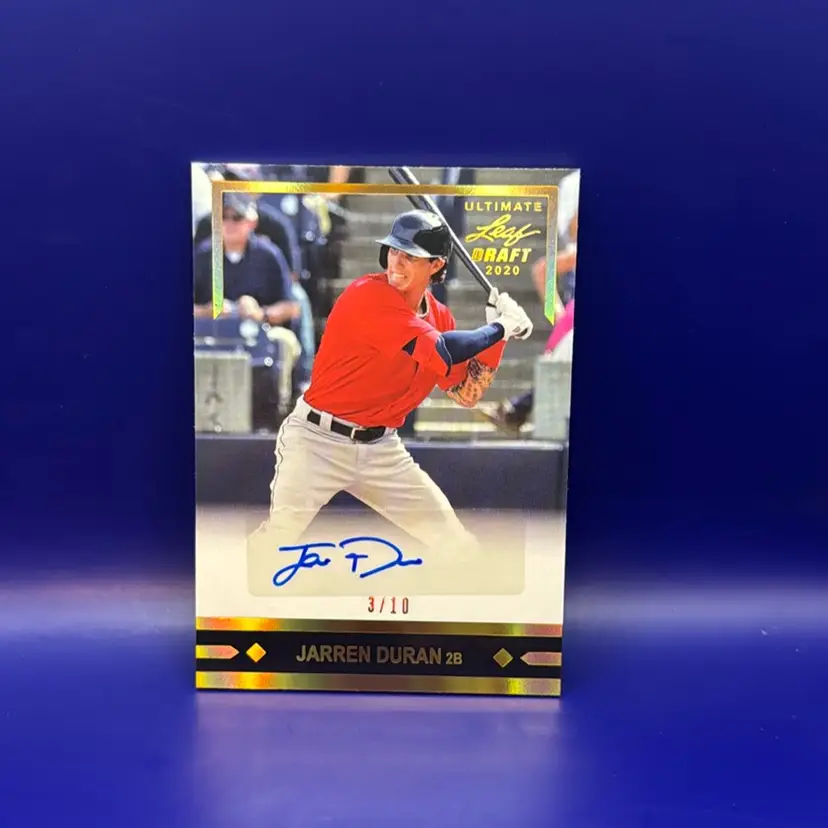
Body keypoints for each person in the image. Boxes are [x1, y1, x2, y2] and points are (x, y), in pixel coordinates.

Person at [254, 209, 533, 555]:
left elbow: (467, 393)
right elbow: (443, 350)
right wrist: (500, 327)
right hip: (317, 441)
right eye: (394, 250)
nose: (396, 262)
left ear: (435, 265)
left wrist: (497, 339)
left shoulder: (440, 317)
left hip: (381, 448)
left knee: (458, 545)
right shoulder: (367, 295)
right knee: (278, 541)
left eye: (410, 256)